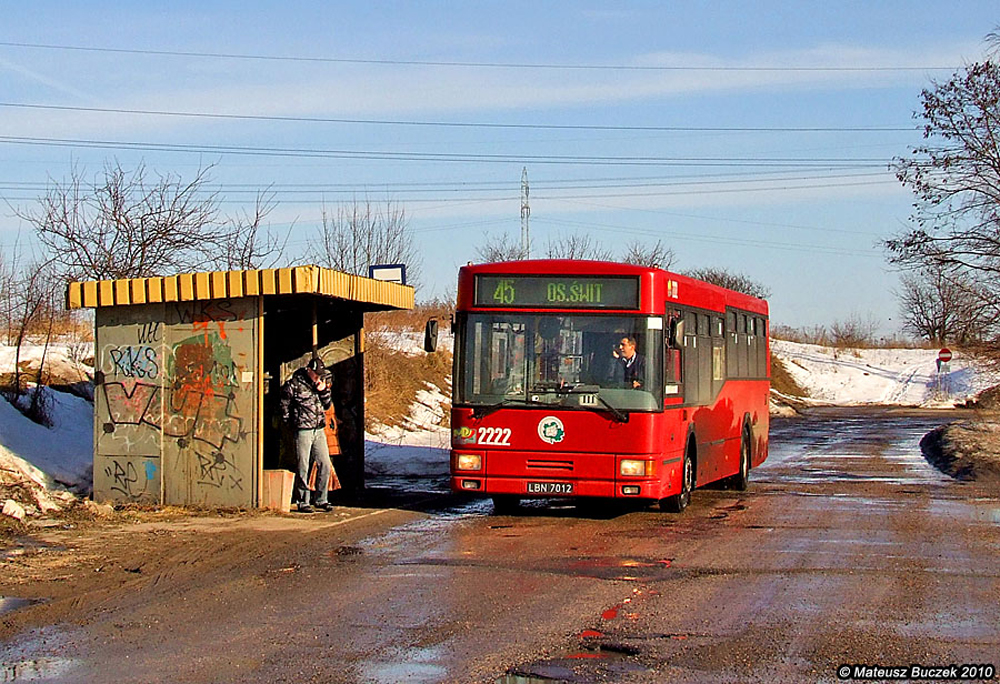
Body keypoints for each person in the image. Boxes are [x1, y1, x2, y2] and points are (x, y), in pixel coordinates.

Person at [279, 357, 334, 513]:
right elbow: (284, 405)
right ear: (309, 370)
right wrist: (290, 423)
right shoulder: (294, 385)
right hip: (303, 429)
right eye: (316, 373)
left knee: (325, 464)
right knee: (303, 465)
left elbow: (327, 404)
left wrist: (323, 391)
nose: (318, 376)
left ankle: (321, 499)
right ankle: (303, 501)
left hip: (319, 429)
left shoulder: (320, 384)